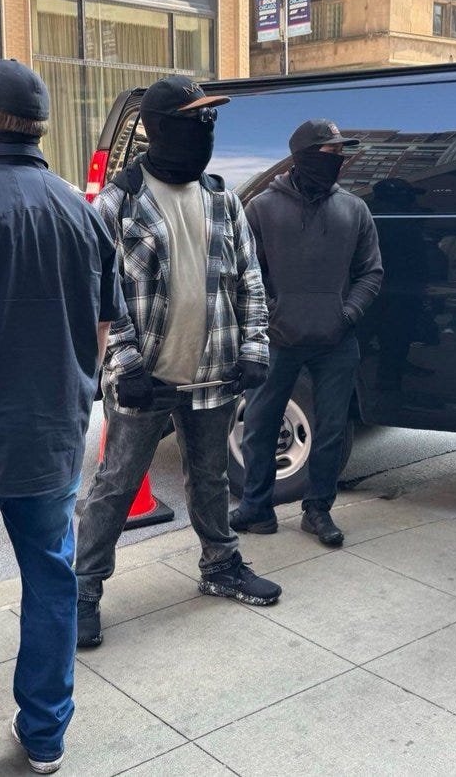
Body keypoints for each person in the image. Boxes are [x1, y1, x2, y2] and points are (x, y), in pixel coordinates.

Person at [0, 60, 124, 777]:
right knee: (51, 579)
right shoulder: (84, 213)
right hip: (51, 441)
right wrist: (72, 396)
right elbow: (99, 335)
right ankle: (44, 736)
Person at [75, 76, 281, 649]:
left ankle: (221, 565)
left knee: (211, 478)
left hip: (215, 373)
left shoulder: (222, 200)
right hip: (146, 379)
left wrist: (255, 348)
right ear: (161, 127)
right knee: (116, 485)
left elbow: (250, 281)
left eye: (211, 119)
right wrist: (124, 367)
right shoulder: (117, 203)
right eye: (196, 119)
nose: (206, 129)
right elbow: (98, 295)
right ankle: (83, 590)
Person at [230, 119, 383, 546]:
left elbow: (371, 272)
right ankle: (256, 508)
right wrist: (270, 316)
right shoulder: (261, 208)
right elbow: (244, 274)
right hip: (277, 338)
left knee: (331, 429)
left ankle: (318, 511)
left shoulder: (354, 209)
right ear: (304, 156)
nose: (338, 159)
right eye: (331, 152)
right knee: (259, 424)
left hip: (336, 339)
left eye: (340, 152)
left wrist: (347, 314)